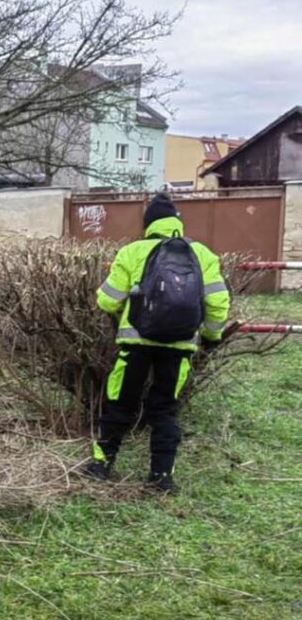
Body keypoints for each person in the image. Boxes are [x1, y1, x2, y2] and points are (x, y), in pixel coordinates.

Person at [85, 191, 230, 492]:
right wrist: (212, 335)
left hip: (135, 345)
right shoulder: (202, 254)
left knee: (119, 404)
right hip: (179, 348)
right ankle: (162, 477)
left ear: (148, 225)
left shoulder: (132, 252)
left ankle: (101, 465)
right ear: (177, 223)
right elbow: (217, 302)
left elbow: (107, 300)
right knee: (164, 410)